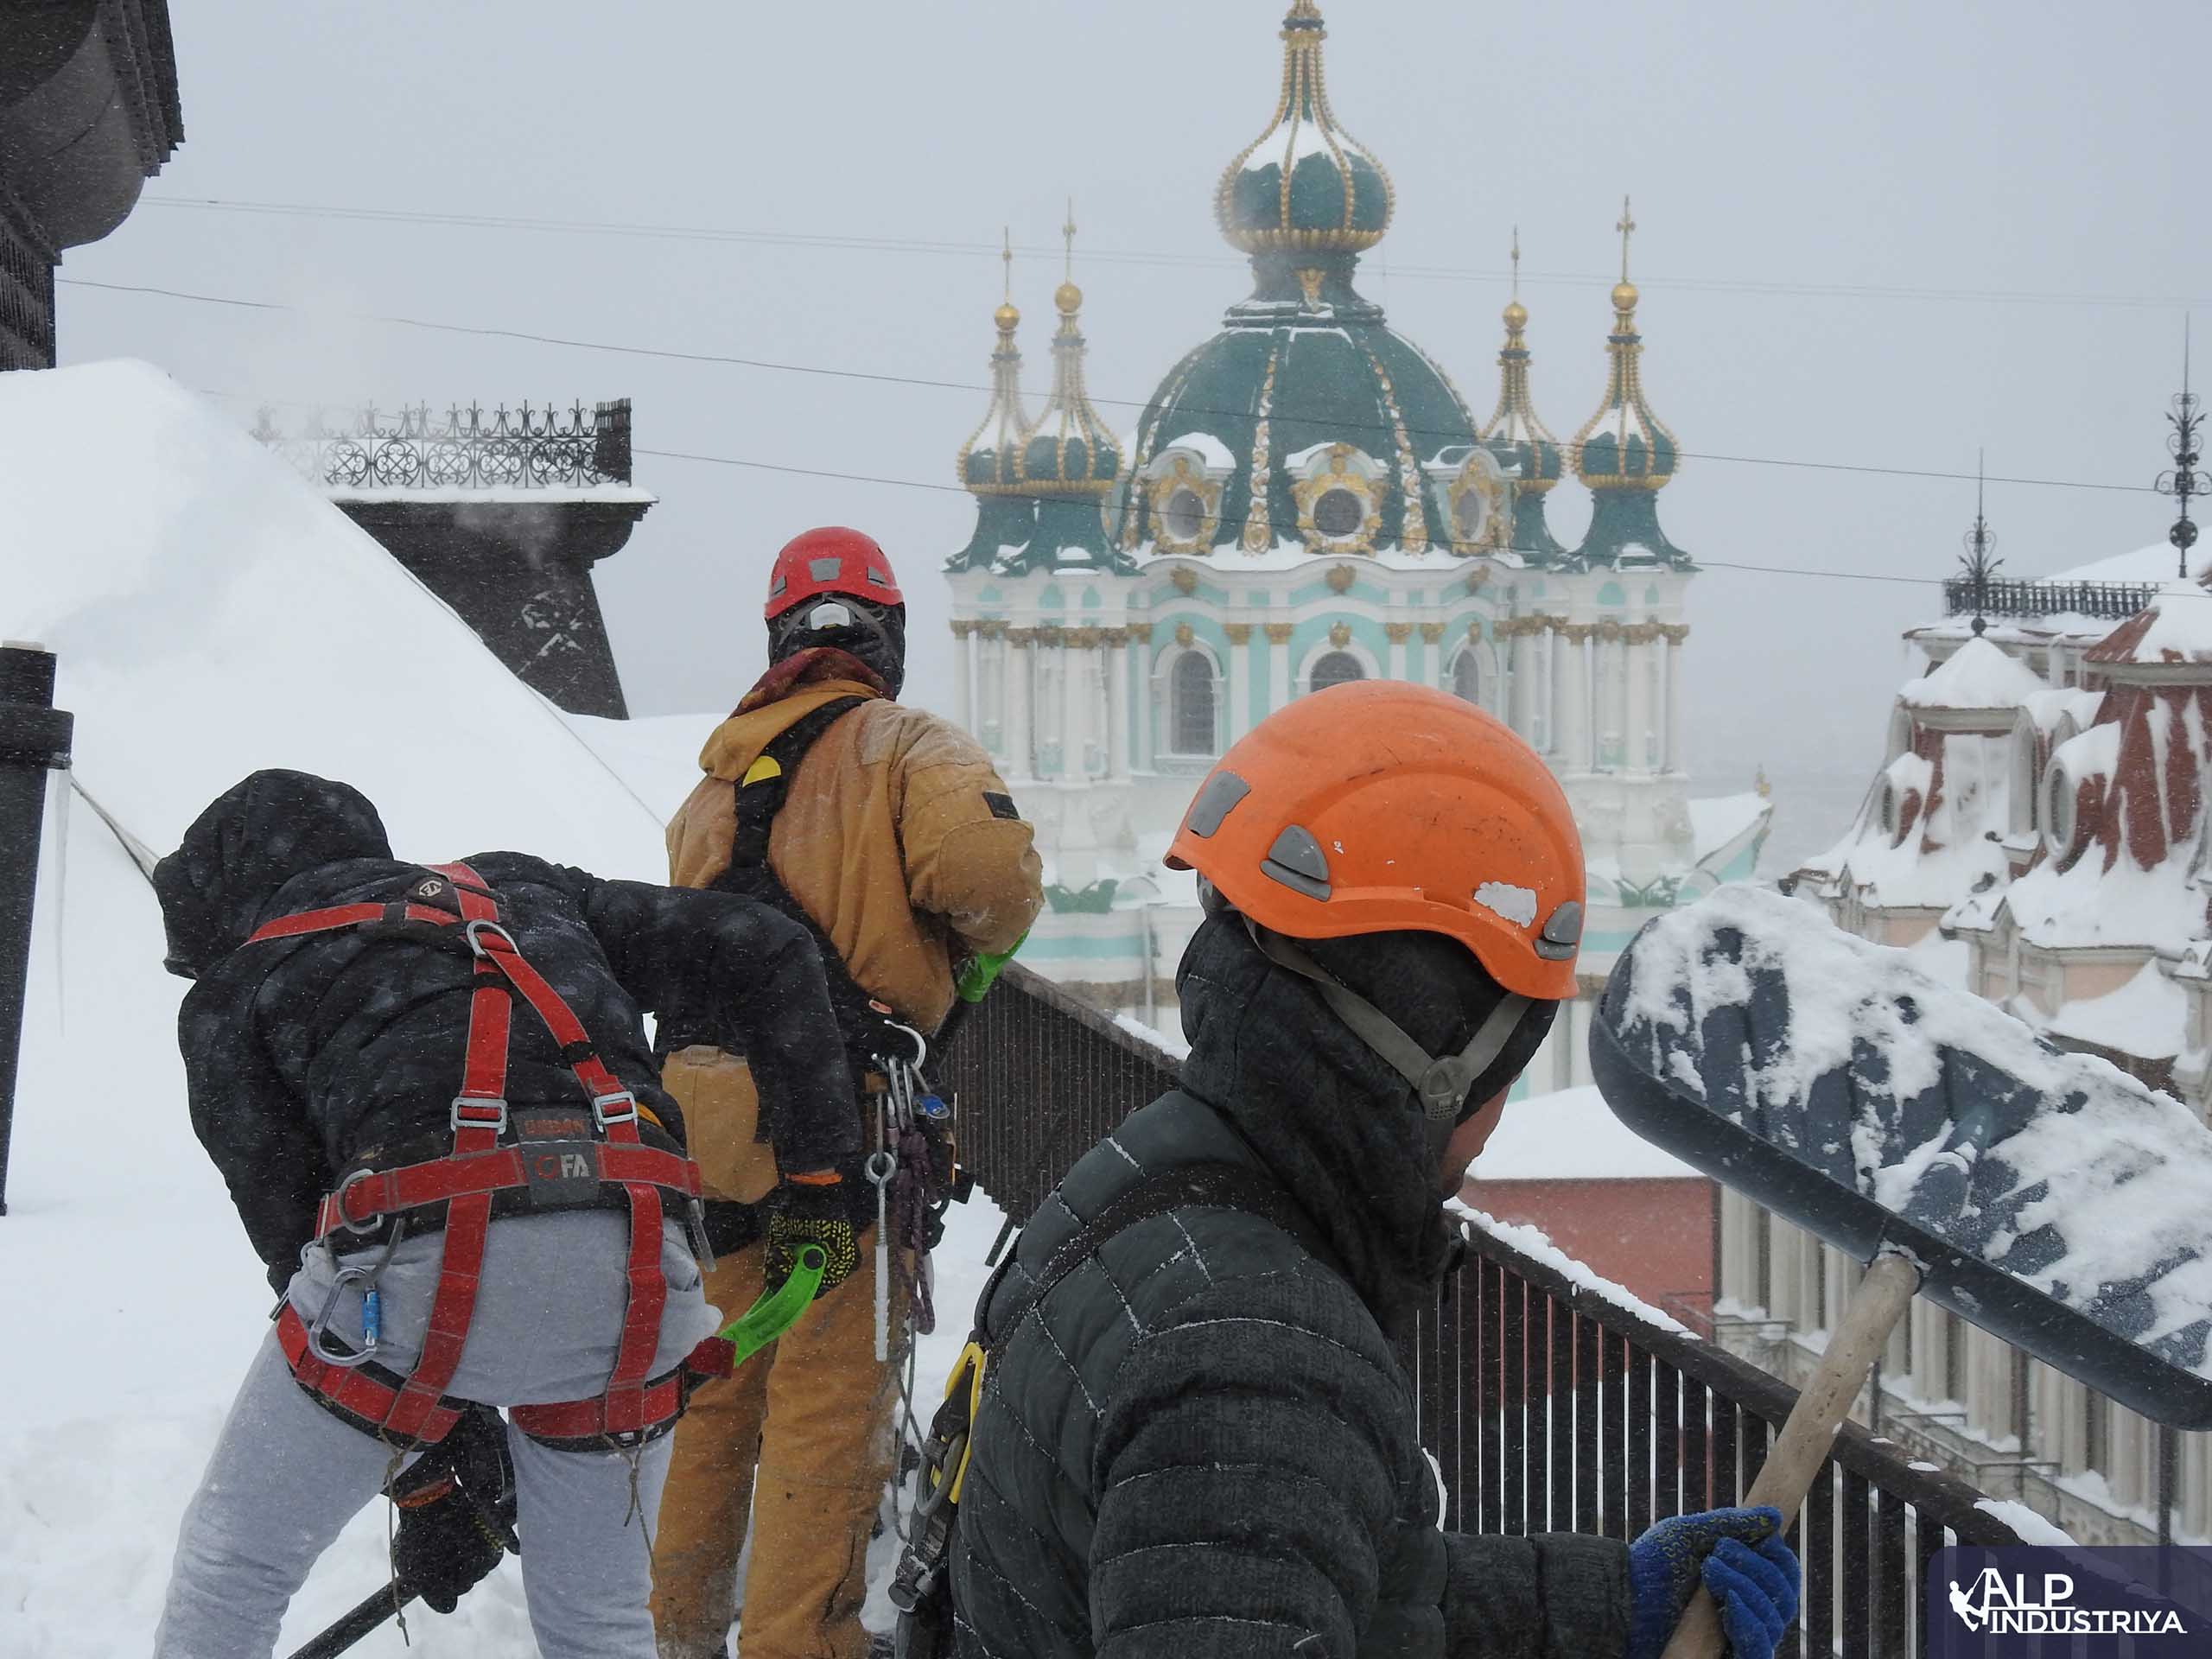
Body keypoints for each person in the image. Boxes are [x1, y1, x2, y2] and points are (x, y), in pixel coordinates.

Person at [929, 683, 1801, 1658]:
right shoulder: (1255, 1361)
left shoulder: (1160, 1187)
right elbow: (1248, 1524)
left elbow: (1310, 1580)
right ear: (1439, 1059)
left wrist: (1610, 1608)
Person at [149, 769, 861, 1659]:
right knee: (599, 1626)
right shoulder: (520, 891)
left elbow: (301, 1252)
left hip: (416, 1254)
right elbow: (765, 946)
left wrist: (432, 1478)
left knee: (236, 1566)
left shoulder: (240, 988)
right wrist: (823, 1190)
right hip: (639, 1263)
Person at [651, 526, 1044, 1659]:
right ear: (889, 636)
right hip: (839, 1133)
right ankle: (797, 1644)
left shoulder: (713, 790)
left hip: (712, 1134)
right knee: (825, 1409)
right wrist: (948, 970)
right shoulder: (906, 746)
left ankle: (674, 1632)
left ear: (781, 638)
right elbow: (990, 878)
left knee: (717, 1395)